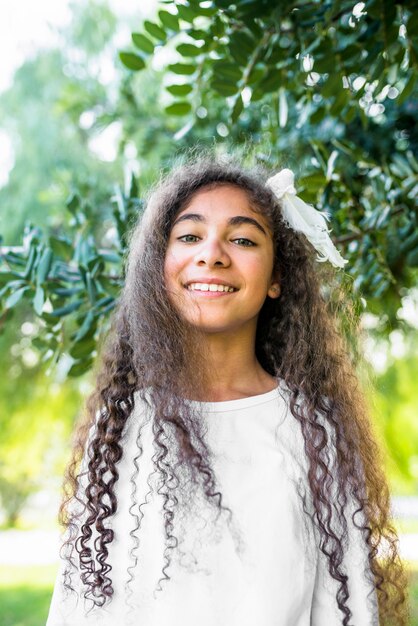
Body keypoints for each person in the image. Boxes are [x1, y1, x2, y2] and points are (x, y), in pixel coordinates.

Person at [46, 155, 408, 626]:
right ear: (161, 269)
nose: (212, 254)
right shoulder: (123, 425)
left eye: (242, 239)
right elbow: (83, 606)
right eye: (190, 236)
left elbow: (348, 607)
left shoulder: (314, 432)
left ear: (277, 277)